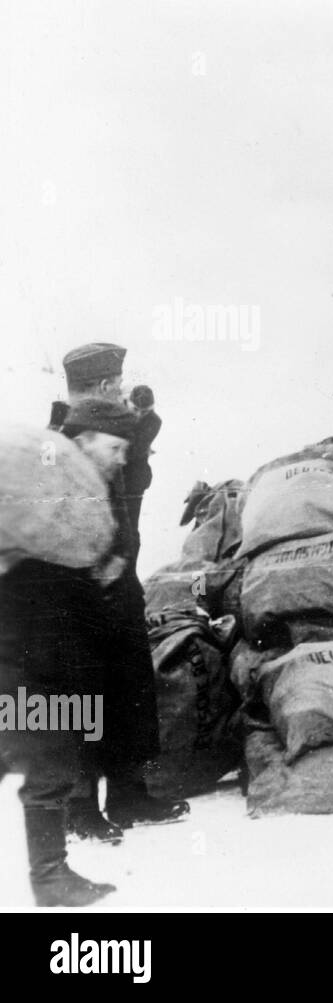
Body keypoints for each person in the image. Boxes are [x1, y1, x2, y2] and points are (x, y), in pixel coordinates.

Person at [0, 406, 139, 905]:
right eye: (114, 447)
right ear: (82, 442)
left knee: (41, 757)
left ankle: (51, 874)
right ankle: (50, 877)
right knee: (50, 757)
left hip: (39, 651)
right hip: (31, 653)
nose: (121, 459)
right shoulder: (50, 492)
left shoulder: (70, 499)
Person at [54, 347, 189, 842]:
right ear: (107, 386)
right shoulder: (63, 448)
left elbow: (134, 484)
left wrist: (143, 427)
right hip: (77, 595)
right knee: (81, 694)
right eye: (116, 382)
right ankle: (79, 805)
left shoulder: (104, 435)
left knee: (129, 687)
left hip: (120, 585)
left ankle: (129, 793)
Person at [122, 384, 161, 535]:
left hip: (134, 480)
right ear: (127, 404)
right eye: (135, 410)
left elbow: (133, 451)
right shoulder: (117, 411)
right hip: (113, 478)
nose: (139, 415)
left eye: (144, 412)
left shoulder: (154, 421)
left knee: (130, 529)